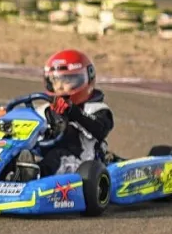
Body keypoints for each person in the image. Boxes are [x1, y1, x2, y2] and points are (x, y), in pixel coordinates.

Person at [37, 49, 114, 177]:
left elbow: (100, 129)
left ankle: (33, 176)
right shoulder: (45, 110)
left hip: (81, 163)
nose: (60, 87)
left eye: (67, 81)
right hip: (47, 155)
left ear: (85, 79)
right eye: (56, 81)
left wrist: (74, 112)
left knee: (54, 159)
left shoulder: (96, 109)